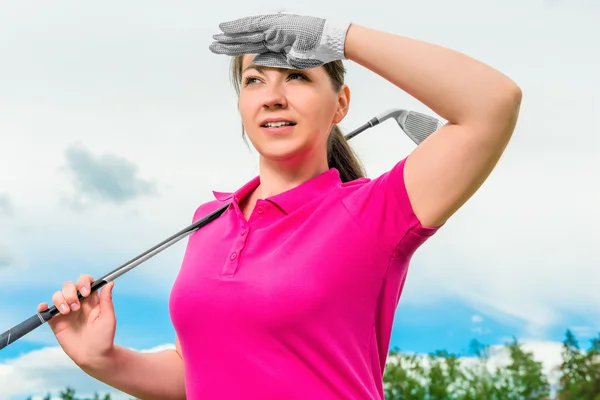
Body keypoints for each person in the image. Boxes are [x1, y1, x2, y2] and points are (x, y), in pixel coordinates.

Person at [38, 13, 522, 400]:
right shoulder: (207, 223)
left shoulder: (375, 210)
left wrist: (338, 37)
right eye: (254, 80)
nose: (272, 97)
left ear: (340, 104)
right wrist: (103, 360)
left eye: (296, 76)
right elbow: (200, 378)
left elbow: (493, 103)